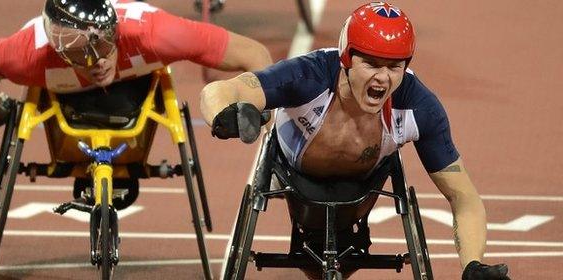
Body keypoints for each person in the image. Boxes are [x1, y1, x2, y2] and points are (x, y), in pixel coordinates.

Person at [200, 2, 509, 279]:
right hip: (294, 176)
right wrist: (223, 113)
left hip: (363, 185)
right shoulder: (308, 76)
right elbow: (221, 89)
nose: (383, 78)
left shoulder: (419, 107)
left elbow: (463, 196)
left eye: (394, 67)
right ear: (346, 58)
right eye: (372, 64)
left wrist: (473, 265)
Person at [0, 0, 272, 128]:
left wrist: (260, 109)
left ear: (115, 32)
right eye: (80, 55)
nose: (97, 61)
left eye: (103, 45)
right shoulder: (26, 55)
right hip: (60, 93)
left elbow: (254, 53)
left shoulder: (155, 34)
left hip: (139, 84)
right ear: (57, 51)